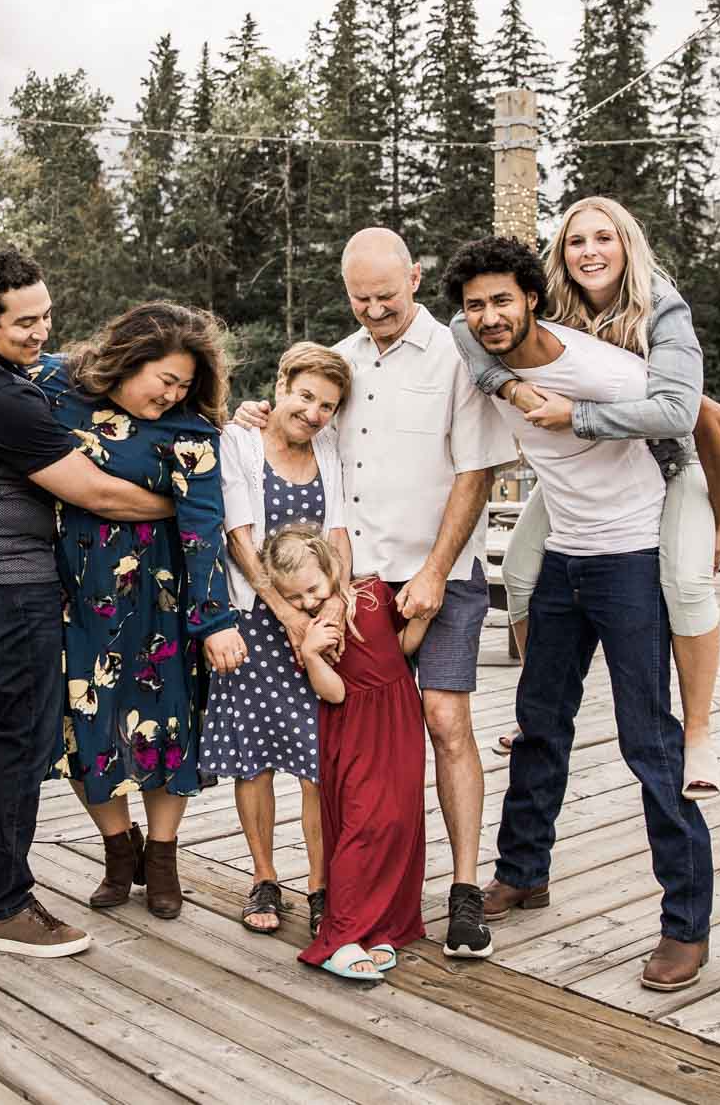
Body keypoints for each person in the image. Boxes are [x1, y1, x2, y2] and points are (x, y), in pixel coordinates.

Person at [236, 227, 511, 961]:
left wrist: (434, 571)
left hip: (440, 571)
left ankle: (464, 890)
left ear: (415, 278)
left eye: (386, 295)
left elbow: (476, 472)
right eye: (360, 298)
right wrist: (256, 415)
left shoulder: (458, 355)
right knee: (356, 742)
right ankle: (356, 891)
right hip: (356, 585)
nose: (375, 309)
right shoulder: (342, 361)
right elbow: (307, 435)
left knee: (445, 719)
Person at [447, 235, 713, 993]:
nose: (489, 317)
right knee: (538, 723)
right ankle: (522, 872)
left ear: (533, 297)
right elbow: (455, 338)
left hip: (631, 559)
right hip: (564, 557)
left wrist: (719, 522)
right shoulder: (480, 352)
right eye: (476, 305)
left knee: (648, 740)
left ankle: (686, 924)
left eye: (503, 300)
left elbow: (703, 422)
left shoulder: (602, 370)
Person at [0, 247, 176, 958]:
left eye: (46, 316)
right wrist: (182, 504)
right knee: (24, 736)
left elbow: (60, 365)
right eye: (25, 323)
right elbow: (93, 492)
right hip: (6, 581)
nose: (41, 333)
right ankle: (6, 906)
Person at [453, 196, 720, 799]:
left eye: (603, 238)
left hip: (668, 463)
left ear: (627, 245)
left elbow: (693, 414)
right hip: (585, 474)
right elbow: (463, 324)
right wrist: (508, 386)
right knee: (520, 573)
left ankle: (699, 731)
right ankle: (538, 704)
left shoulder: (662, 307)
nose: (589, 252)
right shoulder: (551, 299)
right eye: (576, 241)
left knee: (687, 586)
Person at [30, 301, 247, 921]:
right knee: (83, 723)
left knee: (166, 726)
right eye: (166, 380)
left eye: (185, 385)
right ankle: (117, 850)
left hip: (161, 602)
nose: (173, 394)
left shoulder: (190, 433)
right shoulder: (54, 386)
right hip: (72, 598)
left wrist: (215, 620)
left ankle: (163, 858)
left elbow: (204, 529)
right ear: (129, 360)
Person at [200, 343, 351, 936]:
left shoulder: (329, 450)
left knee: (318, 762)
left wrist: (335, 601)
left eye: (327, 405)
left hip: (315, 620)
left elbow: (338, 531)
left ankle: (320, 884)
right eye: (305, 396)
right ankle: (264, 877)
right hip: (256, 622)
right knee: (254, 757)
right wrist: (286, 615)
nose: (314, 413)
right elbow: (238, 537)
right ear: (281, 385)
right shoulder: (239, 442)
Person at [262, 528, 427, 982]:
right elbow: (333, 693)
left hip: (398, 717)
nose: (308, 602)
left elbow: (401, 649)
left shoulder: (373, 594)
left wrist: (424, 618)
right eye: (294, 598)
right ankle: (340, 936)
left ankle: (380, 927)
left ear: (330, 566)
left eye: (313, 589)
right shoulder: (314, 631)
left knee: (398, 820)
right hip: (354, 728)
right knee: (361, 824)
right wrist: (312, 655)